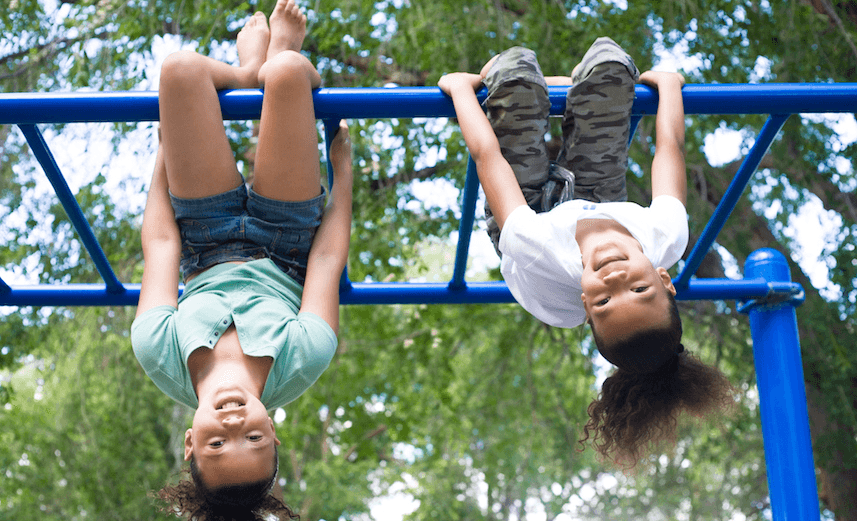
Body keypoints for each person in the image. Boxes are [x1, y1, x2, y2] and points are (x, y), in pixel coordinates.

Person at [438, 38, 734, 468]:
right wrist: (670, 86)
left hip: (527, 210)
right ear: (664, 278)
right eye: (638, 289)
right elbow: (670, 148)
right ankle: (578, 85)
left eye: (604, 301)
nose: (615, 280)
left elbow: (488, 157)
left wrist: (460, 89)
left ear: (584, 302)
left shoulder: (535, 248)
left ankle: (537, 88)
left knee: (515, 75)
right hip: (598, 200)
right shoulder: (666, 235)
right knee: (612, 65)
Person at [130, 0, 352, 518]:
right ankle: (275, 60)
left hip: (205, 234)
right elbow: (325, 261)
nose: (234, 426)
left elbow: (160, 244)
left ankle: (247, 70)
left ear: (190, 442)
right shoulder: (304, 359)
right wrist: (342, 177)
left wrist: (164, 156)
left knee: (179, 70)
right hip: (287, 236)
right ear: (273, 430)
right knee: (289, 72)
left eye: (216, 445)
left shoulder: (158, 353)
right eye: (253, 439)